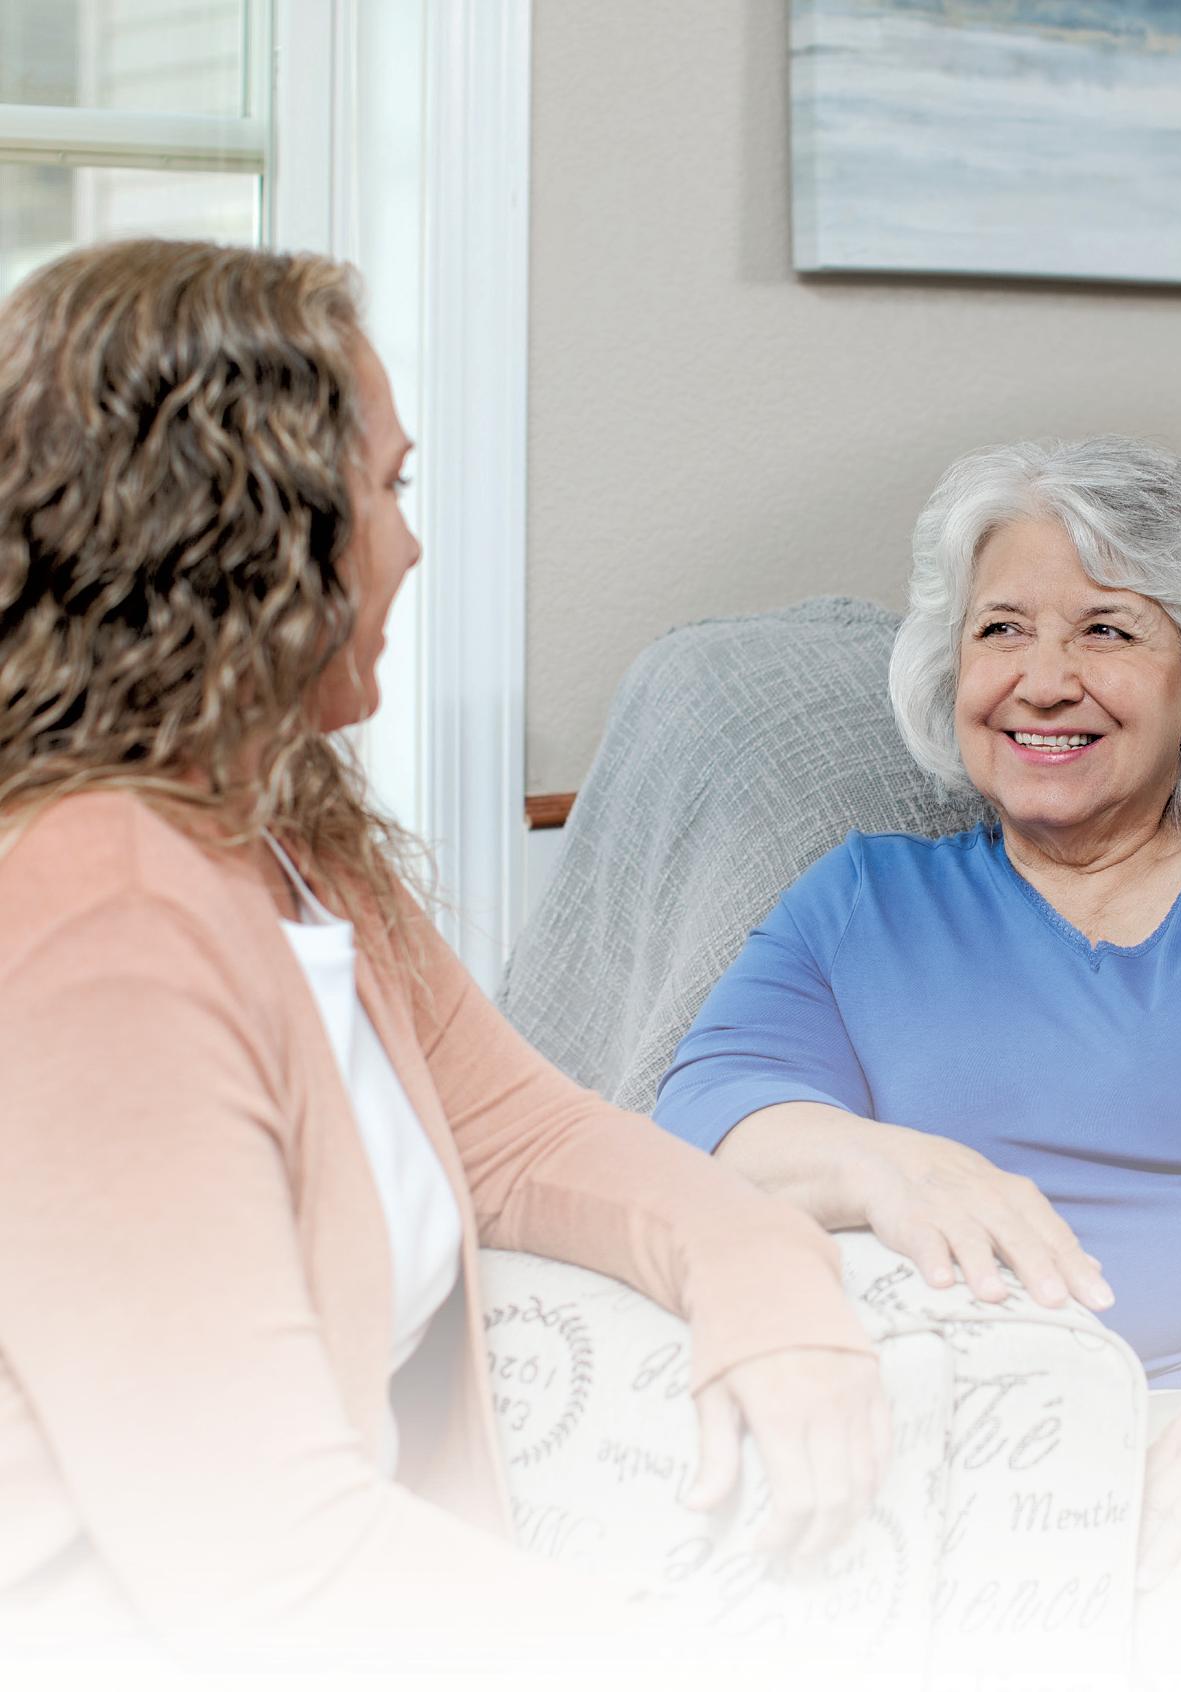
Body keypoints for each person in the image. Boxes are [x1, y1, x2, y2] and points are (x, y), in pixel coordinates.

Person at [0, 239, 888, 1674]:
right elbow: (262, 1568)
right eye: (391, 488)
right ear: (247, 529)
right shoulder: (102, 921)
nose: (411, 547)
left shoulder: (288, 830)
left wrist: (766, 1276)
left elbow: (521, 1134)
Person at [653, 436, 1181, 1682]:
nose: (1042, 683)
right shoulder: (866, 904)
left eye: (1106, 631)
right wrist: (886, 1165)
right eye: (1001, 630)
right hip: (1029, 1447)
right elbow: (705, 1115)